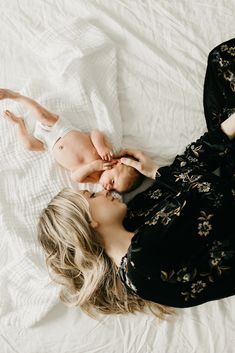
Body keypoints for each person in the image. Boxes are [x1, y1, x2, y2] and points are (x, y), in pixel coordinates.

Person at [37, 39, 235, 318]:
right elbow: (217, 196)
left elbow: (181, 175)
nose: (103, 191)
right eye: (92, 195)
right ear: (90, 223)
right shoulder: (142, 264)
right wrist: (156, 171)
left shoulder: (134, 221)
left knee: (223, 60)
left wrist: (227, 129)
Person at [0, 88, 142, 192]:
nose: (109, 187)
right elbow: (95, 133)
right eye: (113, 181)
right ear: (116, 164)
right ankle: (15, 96)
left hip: (48, 145)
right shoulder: (107, 154)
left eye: (114, 189)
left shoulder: (95, 178)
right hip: (61, 129)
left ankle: (19, 124)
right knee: (42, 115)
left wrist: (92, 167)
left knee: (28, 145)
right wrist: (100, 147)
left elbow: (76, 177)